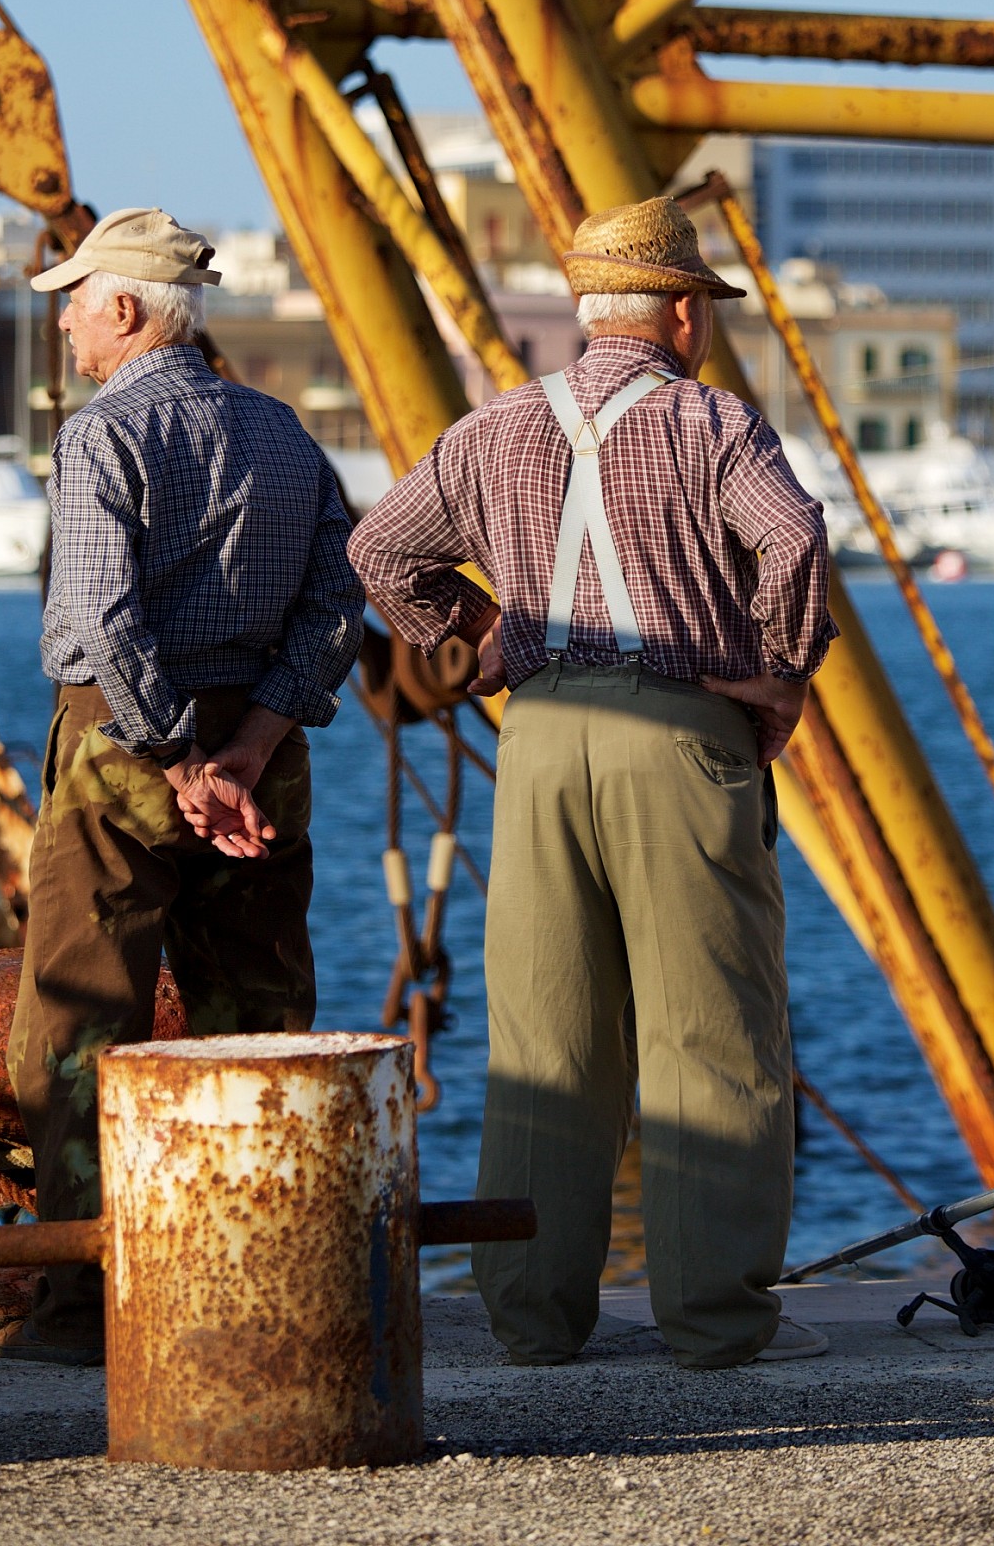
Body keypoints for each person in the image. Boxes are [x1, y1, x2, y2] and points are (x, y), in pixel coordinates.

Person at [350, 195, 837, 1370]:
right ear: (681, 313)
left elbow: (378, 550)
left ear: (585, 315)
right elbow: (794, 541)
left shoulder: (493, 428)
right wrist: (775, 671)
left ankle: (530, 1315)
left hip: (540, 740)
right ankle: (716, 1320)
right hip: (676, 736)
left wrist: (481, 634)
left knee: (543, 1037)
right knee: (709, 1034)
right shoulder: (712, 422)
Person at [6, 207, 363, 1365]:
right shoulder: (285, 436)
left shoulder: (99, 438)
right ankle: (253, 1284)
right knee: (256, 1019)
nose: (61, 318)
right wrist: (249, 748)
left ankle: (75, 1315)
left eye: (74, 297)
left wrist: (175, 760)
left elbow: (106, 616)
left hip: (122, 757)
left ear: (123, 309)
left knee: (75, 1025)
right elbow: (331, 608)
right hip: (264, 763)